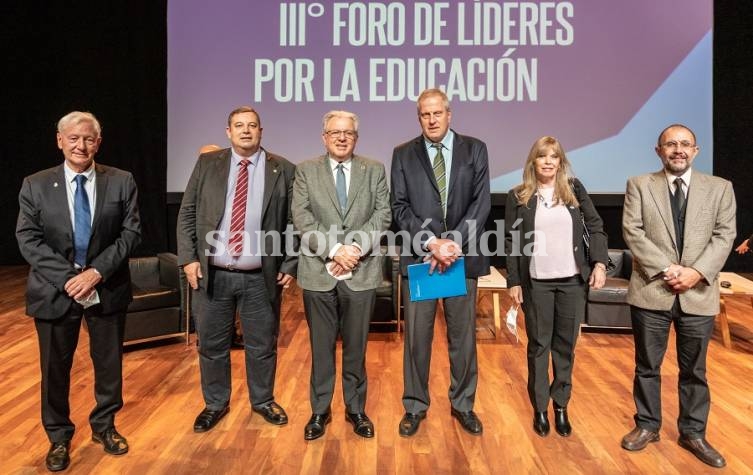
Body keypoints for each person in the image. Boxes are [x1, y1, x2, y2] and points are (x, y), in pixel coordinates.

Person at [16, 111, 141, 471]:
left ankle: (105, 427)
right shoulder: (35, 184)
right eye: (73, 138)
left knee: (109, 365)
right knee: (55, 369)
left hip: (106, 287)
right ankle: (58, 437)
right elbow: (27, 238)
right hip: (54, 291)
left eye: (88, 139)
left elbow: (131, 233)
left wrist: (97, 272)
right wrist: (70, 278)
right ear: (60, 140)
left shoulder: (121, 181)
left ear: (98, 142)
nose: (81, 145)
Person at [620, 124, 736, 468]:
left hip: (698, 293)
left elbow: (724, 235)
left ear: (696, 151)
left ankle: (693, 432)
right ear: (659, 151)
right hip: (652, 290)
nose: (678, 149)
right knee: (647, 367)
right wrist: (670, 270)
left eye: (685, 144)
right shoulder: (639, 185)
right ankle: (647, 426)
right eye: (670, 144)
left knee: (695, 371)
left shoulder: (720, 189)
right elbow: (633, 231)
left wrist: (696, 272)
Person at [177, 106, 297, 433]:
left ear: (262, 131)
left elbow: (292, 222)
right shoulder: (207, 164)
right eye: (239, 126)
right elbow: (187, 213)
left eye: (252, 125)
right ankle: (215, 403)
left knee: (262, 344)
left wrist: (289, 262)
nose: (246, 131)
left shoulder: (283, 169)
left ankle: (263, 401)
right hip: (212, 274)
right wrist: (188, 258)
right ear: (228, 132)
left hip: (261, 276)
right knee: (212, 346)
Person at [391, 88, 491, 436]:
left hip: (462, 260)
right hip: (423, 260)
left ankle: (463, 404)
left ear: (449, 114)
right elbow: (399, 208)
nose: (431, 120)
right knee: (417, 340)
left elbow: (481, 204)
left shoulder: (475, 149)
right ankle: (415, 406)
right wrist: (432, 243)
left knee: (463, 340)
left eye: (437, 113)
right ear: (419, 117)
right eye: (424, 114)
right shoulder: (403, 154)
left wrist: (453, 243)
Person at [291, 110, 391, 440]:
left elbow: (382, 215)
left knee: (356, 347)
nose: (341, 137)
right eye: (335, 132)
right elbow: (302, 218)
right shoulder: (305, 170)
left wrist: (354, 250)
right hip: (319, 272)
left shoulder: (374, 169)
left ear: (356, 137)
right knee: (321, 347)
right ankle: (319, 410)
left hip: (360, 272)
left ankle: (356, 408)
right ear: (324, 137)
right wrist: (335, 251)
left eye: (347, 132)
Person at [504, 136, 607, 438]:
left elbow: (596, 226)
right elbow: (512, 241)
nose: (548, 161)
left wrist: (599, 262)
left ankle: (560, 405)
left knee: (565, 348)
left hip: (572, 282)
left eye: (554, 156)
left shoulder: (574, 190)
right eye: (541, 156)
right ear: (532, 161)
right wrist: (513, 281)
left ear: (561, 161)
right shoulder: (518, 195)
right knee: (539, 347)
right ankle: (539, 408)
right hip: (536, 283)